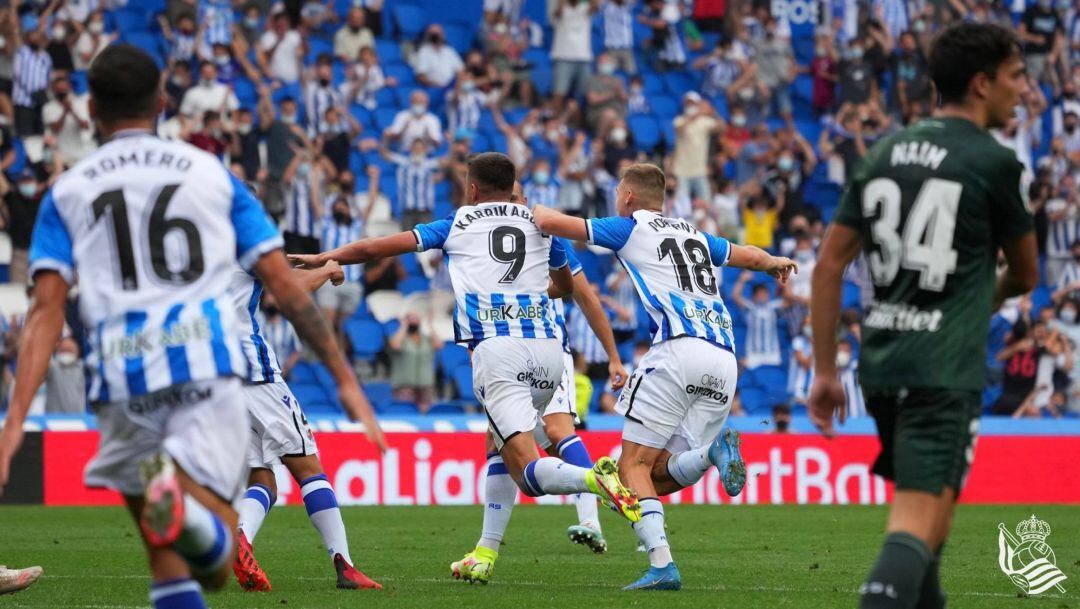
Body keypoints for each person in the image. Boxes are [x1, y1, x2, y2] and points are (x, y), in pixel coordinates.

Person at [0, 45, 381, 609]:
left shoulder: (69, 189)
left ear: (91, 108)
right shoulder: (213, 179)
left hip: (120, 373)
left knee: (168, 554)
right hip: (205, 363)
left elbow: (45, 311)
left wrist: (15, 418)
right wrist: (345, 380)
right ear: (161, 101)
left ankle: (204, 531)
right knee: (214, 545)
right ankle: (219, 539)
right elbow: (284, 289)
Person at [290, 152, 642, 582]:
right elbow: (569, 286)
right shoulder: (542, 223)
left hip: (498, 351)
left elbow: (373, 247)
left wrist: (326, 256)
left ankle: (594, 480)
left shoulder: (459, 222)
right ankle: (485, 553)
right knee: (496, 447)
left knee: (529, 473)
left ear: (472, 188)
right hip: (550, 353)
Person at [807, 23, 1038, 609]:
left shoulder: (882, 153)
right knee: (915, 520)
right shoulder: (994, 161)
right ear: (982, 83)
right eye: (1016, 75)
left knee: (932, 524)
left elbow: (829, 267)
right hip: (942, 370)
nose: (1025, 89)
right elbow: (1027, 274)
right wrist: (975, 300)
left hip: (881, 366)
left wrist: (826, 371)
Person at [533, 162, 797, 590]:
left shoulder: (628, 226)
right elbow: (746, 255)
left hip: (677, 350)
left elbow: (549, 222)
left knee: (630, 466)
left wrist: (528, 207)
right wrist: (774, 262)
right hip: (724, 359)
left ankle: (661, 565)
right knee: (656, 474)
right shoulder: (693, 234)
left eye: (619, 190)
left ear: (630, 197)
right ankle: (710, 456)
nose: (617, 196)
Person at [231, 258, 383, 592]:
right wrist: (327, 271)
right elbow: (289, 289)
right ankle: (346, 566)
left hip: (214, 378)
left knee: (261, 477)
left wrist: (300, 260)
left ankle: (240, 536)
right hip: (255, 373)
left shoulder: (203, 243)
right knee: (309, 469)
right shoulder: (239, 237)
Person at [388, 312, 441, 412]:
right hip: (404, 386)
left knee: (426, 413)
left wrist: (430, 325)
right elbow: (395, 345)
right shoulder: (399, 338)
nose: (413, 321)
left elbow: (439, 345)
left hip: (425, 385)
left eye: (416, 319)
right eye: (410, 319)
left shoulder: (426, 339)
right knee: (405, 411)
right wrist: (403, 326)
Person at [731, 271, 783, 369]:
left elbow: (789, 300)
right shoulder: (750, 308)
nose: (762, 295)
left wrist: (780, 282)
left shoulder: (774, 307)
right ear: (754, 296)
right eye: (759, 293)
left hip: (773, 355)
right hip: (753, 356)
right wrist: (742, 280)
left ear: (768, 294)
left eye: (764, 292)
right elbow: (736, 296)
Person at [44, 336, 84, 413]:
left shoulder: (82, 368)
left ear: (77, 352)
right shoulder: (52, 367)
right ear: (58, 351)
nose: (67, 354)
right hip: (54, 419)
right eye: (64, 351)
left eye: (69, 351)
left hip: (78, 419)